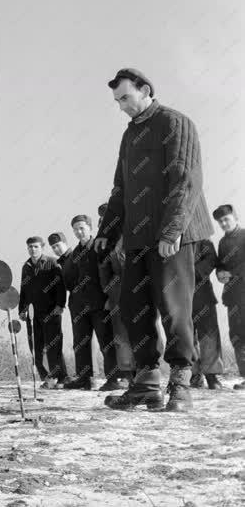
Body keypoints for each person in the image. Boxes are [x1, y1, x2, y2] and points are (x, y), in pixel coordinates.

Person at [96, 68, 214, 411]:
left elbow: (186, 180)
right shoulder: (129, 135)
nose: (121, 106)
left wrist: (172, 230)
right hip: (137, 236)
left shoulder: (176, 123)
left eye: (125, 98)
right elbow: (121, 188)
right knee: (134, 307)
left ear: (145, 90)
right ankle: (146, 383)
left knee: (174, 307)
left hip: (173, 236)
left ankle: (180, 381)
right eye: (117, 101)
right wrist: (107, 231)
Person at [65, 215, 118, 391]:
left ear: (90, 227)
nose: (79, 232)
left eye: (82, 228)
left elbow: (109, 272)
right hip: (79, 306)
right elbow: (70, 278)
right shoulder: (74, 253)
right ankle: (84, 378)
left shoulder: (99, 247)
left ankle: (113, 378)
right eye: (76, 229)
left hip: (100, 303)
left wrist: (109, 297)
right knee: (80, 343)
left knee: (106, 341)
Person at [18, 236, 68, 388]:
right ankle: (47, 378)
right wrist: (22, 309)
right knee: (36, 347)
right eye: (30, 247)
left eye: (36, 247)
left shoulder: (52, 263)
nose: (33, 249)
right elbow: (24, 290)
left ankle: (59, 377)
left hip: (51, 311)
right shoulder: (26, 266)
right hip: (33, 314)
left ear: (42, 247)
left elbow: (61, 287)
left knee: (53, 345)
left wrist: (60, 305)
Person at [97, 203, 134, 389]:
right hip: (117, 292)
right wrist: (110, 290)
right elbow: (103, 269)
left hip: (138, 288)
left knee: (144, 331)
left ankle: (147, 372)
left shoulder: (134, 233)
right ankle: (128, 374)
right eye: (103, 220)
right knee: (120, 335)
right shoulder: (106, 242)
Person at [213, 204, 245, 390]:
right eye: (220, 221)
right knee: (237, 336)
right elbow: (220, 264)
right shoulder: (223, 243)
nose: (224, 223)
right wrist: (220, 273)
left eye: (226, 219)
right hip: (232, 296)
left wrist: (232, 274)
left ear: (235, 216)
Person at [190, 239, 225, 389]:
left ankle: (211, 375)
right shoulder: (172, 238)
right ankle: (193, 374)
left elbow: (211, 259)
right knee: (186, 336)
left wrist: (190, 272)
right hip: (179, 296)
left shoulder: (203, 240)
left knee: (209, 335)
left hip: (203, 295)